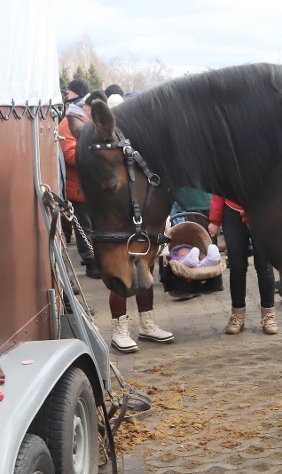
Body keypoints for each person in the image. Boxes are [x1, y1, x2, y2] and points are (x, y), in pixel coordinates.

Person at [94, 92, 175, 353]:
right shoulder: (109, 147)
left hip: (144, 214)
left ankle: (147, 324)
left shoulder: (142, 144)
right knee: (122, 272)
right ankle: (120, 329)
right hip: (121, 216)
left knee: (145, 269)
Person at [207, 196, 278, 335]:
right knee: (236, 266)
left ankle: (269, 315)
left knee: (264, 265)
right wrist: (215, 220)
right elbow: (220, 187)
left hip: (261, 210)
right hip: (232, 212)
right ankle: (237, 315)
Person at [59, 77, 100, 279]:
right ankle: (91, 264)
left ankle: (95, 261)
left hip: (87, 186)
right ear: (88, 107)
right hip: (78, 188)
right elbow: (70, 155)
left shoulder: (84, 121)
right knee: (85, 228)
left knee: (91, 227)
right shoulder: (68, 124)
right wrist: (97, 154)